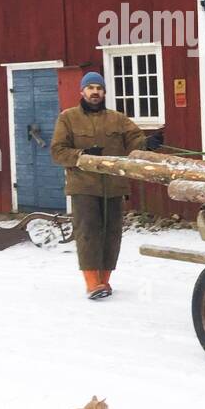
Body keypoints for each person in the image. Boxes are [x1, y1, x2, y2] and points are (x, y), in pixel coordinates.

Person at [51, 72, 158, 299]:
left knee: (111, 234)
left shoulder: (117, 119)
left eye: (98, 88)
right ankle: (92, 283)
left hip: (114, 185)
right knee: (88, 233)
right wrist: (82, 155)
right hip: (83, 186)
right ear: (82, 92)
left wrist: (149, 144)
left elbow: (135, 142)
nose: (94, 92)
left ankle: (105, 282)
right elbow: (58, 151)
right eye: (89, 88)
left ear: (104, 92)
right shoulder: (67, 118)